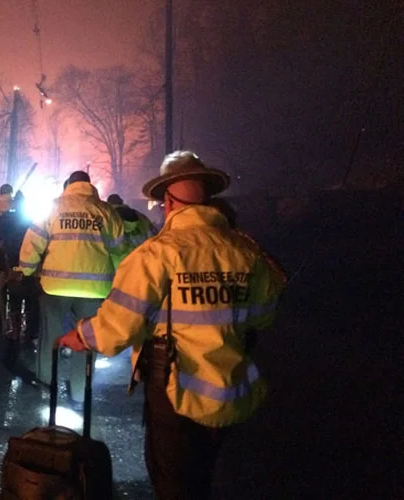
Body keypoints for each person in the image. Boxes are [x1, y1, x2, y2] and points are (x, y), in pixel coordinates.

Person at [58, 151, 287, 499]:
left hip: (174, 388)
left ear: (168, 201)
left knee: (173, 483)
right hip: (230, 387)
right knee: (205, 479)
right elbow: (264, 314)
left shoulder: (158, 253)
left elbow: (120, 323)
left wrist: (82, 336)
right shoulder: (246, 252)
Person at [16, 170, 126, 404]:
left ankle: (47, 385)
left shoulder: (54, 207)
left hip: (55, 286)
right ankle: (79, 390)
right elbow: (119, 250)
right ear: (89, 185)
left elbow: (33, 241)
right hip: (95, 289)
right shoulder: (106, 211)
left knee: (51, 337)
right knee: (86, 340)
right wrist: (118, 278)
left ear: (69, 185)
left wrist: (26, 270)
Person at [0, 191, 39, 341]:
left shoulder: (6, 218)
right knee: (30, 298)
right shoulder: (29, 220)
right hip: (28, 264)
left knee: (13, 297)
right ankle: (29, 332)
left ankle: (14, 330)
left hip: (10, 263)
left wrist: (3, 250)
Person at [107, 193, 158, 260]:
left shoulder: (108, 220)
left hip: (124, 264)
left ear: (108, 205)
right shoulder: (140, 216)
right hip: (146, 260)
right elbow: (155, 237)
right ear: (122, 202)